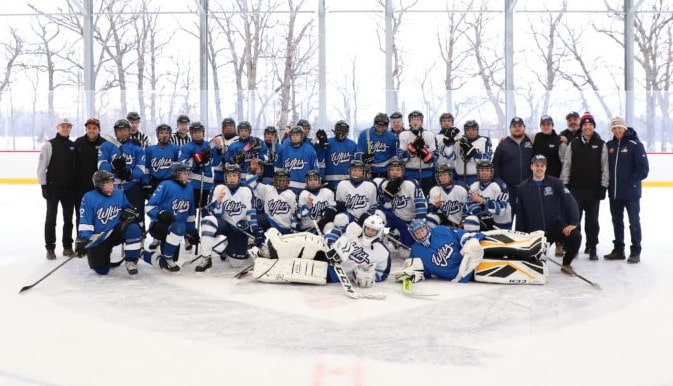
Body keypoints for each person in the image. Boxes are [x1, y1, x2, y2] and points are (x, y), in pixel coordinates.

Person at [516, 155, 581, 274]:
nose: (539, 168)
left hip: (555, 227)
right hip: (535, 233)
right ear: (531, 167)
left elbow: (570, 202)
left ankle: (566, 264)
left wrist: (573, 223)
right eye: (536, 165)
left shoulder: (556, 183)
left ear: (546, 168)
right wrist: (521, 236)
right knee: (534, 265)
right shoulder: (522, 188)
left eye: (542, 166)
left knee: (575, 236)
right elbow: (520, 214)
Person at [194, 164, 263, 272]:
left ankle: (229, 247)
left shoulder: (246, 190)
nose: (231, 178)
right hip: (224, 224)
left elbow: (251, 212)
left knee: (236, 264)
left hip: (238, 228)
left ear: (239, 177)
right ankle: (206, 259)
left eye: (234, 175)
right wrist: (217, 202)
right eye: (229, 175)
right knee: (208, 221)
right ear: (225, 177)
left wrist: (254, 228)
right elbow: (207, 213)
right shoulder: (218, 188)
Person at [560, 112, 608, 260]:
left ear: (593, 127)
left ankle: (592, 246)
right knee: (575, 219)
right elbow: (567, 164)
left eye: (590, 125)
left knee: (592, 220)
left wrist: (603, 186)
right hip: (576, 189)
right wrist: (565, 183)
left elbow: (604, 166)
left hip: (593, 190)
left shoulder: (601, 144)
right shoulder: (573, 144)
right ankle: (573, 247)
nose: (587, 127)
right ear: (582, 127)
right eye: (585, 125)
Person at [75, 170, 142, 276]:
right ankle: (105, 253)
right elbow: (85, 221)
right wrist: (84, 238)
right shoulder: (89, 198)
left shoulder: (118, 193)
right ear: (99, 185)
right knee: (101, 270)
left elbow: (128, 208)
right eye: (108, 183)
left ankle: (131, 261)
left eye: (112, 182)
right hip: (100, 237)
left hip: (115, 231)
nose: (112, 186)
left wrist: (130, 212)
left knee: (133, 229)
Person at [603, 117, 649, 264]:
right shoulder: (609, 145)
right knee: (617, 222)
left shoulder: (635, 145)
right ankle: (619, 249)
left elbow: (643, 169)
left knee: (634, 222)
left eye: (619, 127)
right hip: (614, 193)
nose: (617, 130)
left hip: (631, 193)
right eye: (614, 128)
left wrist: (630, 182)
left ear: (625, 128)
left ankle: (635, 251)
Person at [143, 162, 198, 272]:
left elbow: (190, 213)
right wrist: (160, 213)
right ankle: (167, 259)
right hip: (160, 225)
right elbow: (149, 207)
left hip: (177, 229)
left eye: (188, 173)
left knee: (173, 259)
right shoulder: (165, 185)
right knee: (169, 258)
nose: (187, 175)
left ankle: (147, 255)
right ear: (175, 174)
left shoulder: (189, 188)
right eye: (184, 173)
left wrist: (192, 231)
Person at [394, 219, 484, 283]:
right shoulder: (416, 251)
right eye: (417, 233)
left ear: (427, 227)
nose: (421, 234)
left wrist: (470, 240)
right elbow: (420, 271)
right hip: (458, 278)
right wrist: (409, 275)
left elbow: (460, 235)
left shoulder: (440, 230)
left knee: (474, 246)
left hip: (470, 260)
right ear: (413, 236)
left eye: (422, 230)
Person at [37, 118, 77, 259]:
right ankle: (50, 248)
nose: (65, 128)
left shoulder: (73, 146)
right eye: (63, 126)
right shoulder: (49, 145)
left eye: (68, 126)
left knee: (68, 220)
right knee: (51, 219)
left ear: (70, 128)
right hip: (53, 189)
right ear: (57, 127)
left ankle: (67, 246)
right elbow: (42, 167)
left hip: (69, 190)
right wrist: (43, 185)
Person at [97, 119, 147, 230]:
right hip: (114, 188)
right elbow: (101, 165)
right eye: (119, 130)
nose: (122, 133)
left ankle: (138, 241)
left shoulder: (137, 147)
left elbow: (141, 168)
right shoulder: (106, 146)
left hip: (133, 187)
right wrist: (113, 167)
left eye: (125, 130)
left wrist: (130, 174)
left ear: (129, 131)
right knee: (114, 218)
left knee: (136, 217)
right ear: (115, 132)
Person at [532, 114, 568, 257]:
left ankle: (559, 244)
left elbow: (565, 161)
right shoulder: (537, 138)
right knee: (540, 214)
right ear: (541, 126)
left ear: (552, 125)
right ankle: (539, 243)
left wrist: (562, 181)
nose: (546, 126)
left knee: (557, 215)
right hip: (538, 181)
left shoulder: (559, 141)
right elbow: (522, 136)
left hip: (554, 183)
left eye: (548, 124)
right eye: (543, 124)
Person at [143, 124, 181, 250]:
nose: (164, 135)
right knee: (154, 209)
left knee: (169, 209)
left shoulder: (175, 149)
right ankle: (155, 236)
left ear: (170, 135)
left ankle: (169, 234)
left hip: (170, 182)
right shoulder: (150, 150)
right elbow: (147, 168)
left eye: (166, 133)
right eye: (161, 133)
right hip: (155, 182)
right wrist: (147, 184)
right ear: (157, 134)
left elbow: (178, 167)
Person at [326, 214, 391, 288]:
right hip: (327, 257)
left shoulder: (383, 252)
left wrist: (370, 275)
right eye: (368, 228)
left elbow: (383, 273)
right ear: (364, 227)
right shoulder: (354, 232)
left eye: (373, 230)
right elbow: (338, 229)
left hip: (336, 273)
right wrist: (331, 239)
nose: (369, 232)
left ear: (379, 232)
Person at [376, 157, 427, 247]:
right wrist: (387, 196)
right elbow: (384, 206)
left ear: (403, 171)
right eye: (392, 170)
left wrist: (416, 224)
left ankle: (397, 234)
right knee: (378, 214)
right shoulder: (384, 184)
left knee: (405, 253)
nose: (395, 172)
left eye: (398, 170)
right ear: (388, 172)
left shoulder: (410, 184)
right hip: (394, 218)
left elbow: (422, 206)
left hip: (409, 221)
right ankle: (380, 239)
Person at [492, 117, 533, 219]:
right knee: (507, 218)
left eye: (520, 126)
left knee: (527, 218)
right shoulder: (503, 144)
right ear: (510, 128)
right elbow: (495, 165)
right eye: (514, 126)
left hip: (527, 187)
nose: (517, 128)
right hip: (509, 189)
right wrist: (500, 183)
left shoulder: (531, 142)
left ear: (524, 127)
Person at [74, 118, 106, 230]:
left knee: (99, 214)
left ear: (99, 130)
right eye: (89, 128)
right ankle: (81, 241)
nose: (91, 130)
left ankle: (98, 242)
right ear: (86, 129)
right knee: (81, 214)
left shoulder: (104, 144)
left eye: (94, 128)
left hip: (98, 187)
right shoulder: (78, 142)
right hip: (80, 187)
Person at [398, 110, 437, 195]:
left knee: (428, 198)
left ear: (422, 122)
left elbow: (436, 156)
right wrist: (410, 150)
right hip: (409, 174)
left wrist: (424, 153)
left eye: (418, 119)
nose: (415, 122)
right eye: (412, 120)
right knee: (410, 199)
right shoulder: (403, 135)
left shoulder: (430, 135)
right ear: (409, 122)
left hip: (427, 174)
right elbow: (400, 157)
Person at [178, 121, 215, 209]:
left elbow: (216, 162)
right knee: (192, 211)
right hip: (193, 185)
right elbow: (182, 164)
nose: (197, 134)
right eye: (194, 132)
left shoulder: (209, 145)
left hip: (208, 185)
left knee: (206, 212)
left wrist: (219, 150)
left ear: (203, 133)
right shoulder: (186, 147)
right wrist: (198, 159)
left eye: (199, 132)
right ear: (190, 134)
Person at [466, 161, 511, 230]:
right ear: (478, 172)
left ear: (491, 172)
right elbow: (470, 206)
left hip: (502, 223)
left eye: (487, 170)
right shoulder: (473, 186)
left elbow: (501, 209)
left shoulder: (499, 185)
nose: (484, 173)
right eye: (482, 170)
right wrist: (482, 214)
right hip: (484, 223)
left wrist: (481, 200)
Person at [275, 126, 319, 194]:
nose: (294, 137)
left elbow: (315, 169)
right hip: (286, 187)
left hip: (305, 188)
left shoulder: (310, 150)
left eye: (297, 135)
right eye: (293, 135)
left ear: (302, 136)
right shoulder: (283, 149)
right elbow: (277, 168)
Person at [356, 113, 398, 179]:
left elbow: (395, 155)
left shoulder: (392, 137)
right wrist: (363, 157)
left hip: (386, 171)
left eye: (383, 127)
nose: (380, 129)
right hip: (369, 170)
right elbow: (357, 153)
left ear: (387, 126)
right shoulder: (364, 134)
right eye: (378, 126)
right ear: (374, 124)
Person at [427, 164, 468, 228]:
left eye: (445, 175)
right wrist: (435, 207)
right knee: (431, 218)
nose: (443, 178)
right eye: (440, 175)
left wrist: (464, 220)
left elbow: (468, 208)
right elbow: (429, 212)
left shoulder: (461, 189)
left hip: (460, 224)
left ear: (450, 176)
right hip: (443, 225)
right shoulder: (434, 190)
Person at [453, 120, 493, 186]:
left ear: (477, 130)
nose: (470, 132)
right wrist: (449, 143)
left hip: (476, 177)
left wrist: (473, 154)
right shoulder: (459, 141)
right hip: (459, 178)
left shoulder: (484, 140)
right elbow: (452, 157)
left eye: (473, 129)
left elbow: (487, 159)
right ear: (465, 131)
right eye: (468, 130)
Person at [211, 117, 238, 184]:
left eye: (230, 126)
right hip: (218, 175)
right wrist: (217, 151)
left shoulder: (239, 140)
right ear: (222, 129)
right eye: (225, 126)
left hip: (234, 175)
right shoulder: (216, 139)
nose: (228, 128)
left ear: (234, 128)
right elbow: (210, 156)